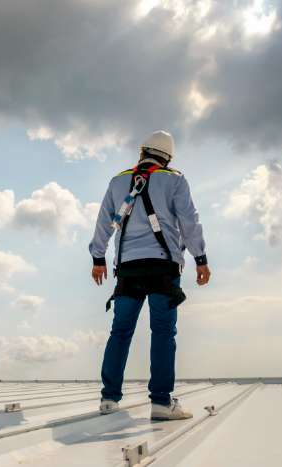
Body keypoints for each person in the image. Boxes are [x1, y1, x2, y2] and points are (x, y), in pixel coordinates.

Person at [88, 130, 210, 420]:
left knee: (120, 332)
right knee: (164, 333)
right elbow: (189, 221)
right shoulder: (174, 179)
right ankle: (161, 402)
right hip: (162, 269)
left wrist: (97, 258)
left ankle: (108, 399)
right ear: (167, 157)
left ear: (142, 153)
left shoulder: (118, 181)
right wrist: (201, 259)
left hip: (128, 269)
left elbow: (104, 220)